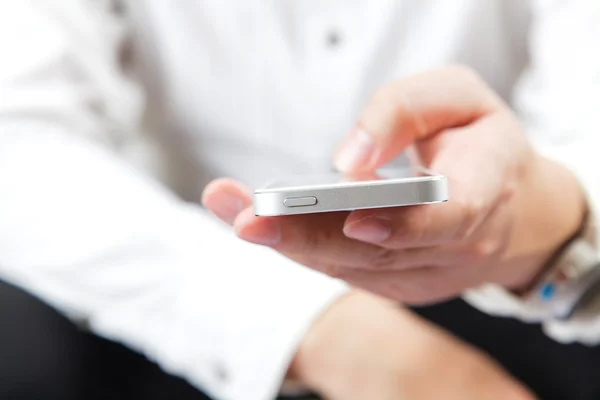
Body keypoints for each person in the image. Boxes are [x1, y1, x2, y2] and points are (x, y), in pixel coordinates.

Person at [0, 1, 599, 399]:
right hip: (189, 278)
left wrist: (550, 224)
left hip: (509, 274)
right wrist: (328, 333)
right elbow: (22, 145)